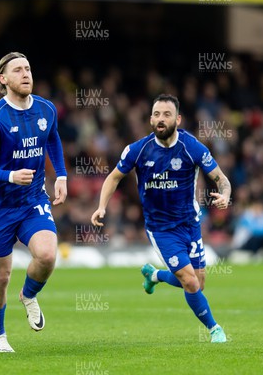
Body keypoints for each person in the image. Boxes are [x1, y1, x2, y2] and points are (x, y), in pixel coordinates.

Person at [91, 94, 230, 343]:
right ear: (150, 119)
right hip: (161, 229)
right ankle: (214, 329)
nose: (160, 119)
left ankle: (155, 275)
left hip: (190, 223)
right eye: (156, 114)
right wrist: (101, 206)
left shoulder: (192, 147)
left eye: (166, 114)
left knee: (198, 282)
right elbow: (113, 177)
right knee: (189, 281)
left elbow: (220, 178)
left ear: (178, 119)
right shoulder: (138, 149)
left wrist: (225, 195)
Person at [0, 52, 67, 352]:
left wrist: (62, 175)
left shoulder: (46, 109)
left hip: (32, 201)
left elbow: (52, 138)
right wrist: (11, 176)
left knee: (47, 256)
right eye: (18, 70)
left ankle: (28, 295)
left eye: (28, 68)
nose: (26, 74)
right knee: (0, 277)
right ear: (3, 79)